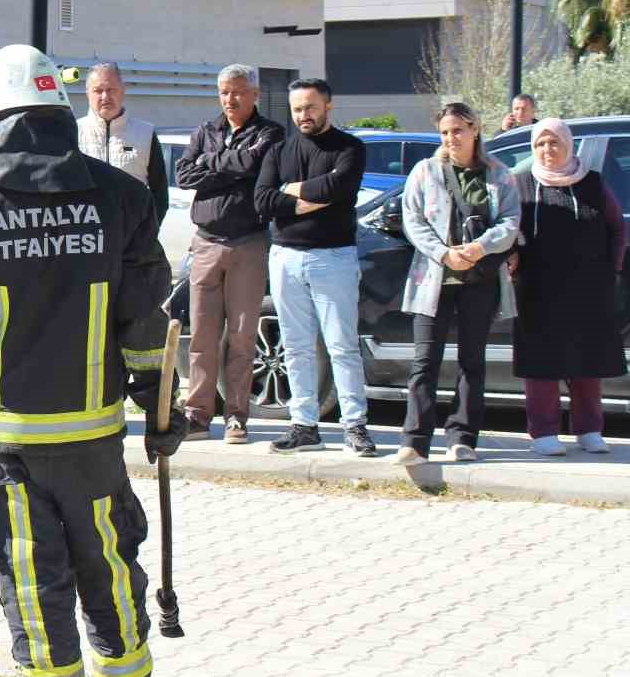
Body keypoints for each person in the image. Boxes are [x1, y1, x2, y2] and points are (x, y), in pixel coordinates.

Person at [0, 45, 182, 677]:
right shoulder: (122, 198)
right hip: (95, 437)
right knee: (110, 565)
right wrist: (157, 399)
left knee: (32, 574)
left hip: (8, 438)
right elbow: (147, 319)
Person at [255, 78, 377, 456]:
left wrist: (289, 190)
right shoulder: (278, 150)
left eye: (310, 107)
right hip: (285, 257)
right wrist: (308, 195)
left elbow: (338, 190)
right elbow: (261, 200)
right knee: (296, 347)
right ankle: (304, 425)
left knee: (342, 346)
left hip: (334, 257)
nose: (303, 116)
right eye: (297, 109)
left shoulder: (350, 148)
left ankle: (354, 426)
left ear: (328, 106)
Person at [394, 102, 520, 468]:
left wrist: (481, 247)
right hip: (434, 279)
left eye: (458, 131)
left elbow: (511, 222)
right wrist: (443, 253)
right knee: (424, 362)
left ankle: (463, 437)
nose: (451, 138)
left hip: (480, 280)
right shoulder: (425, 171)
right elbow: (413, 221)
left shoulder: (500, 174)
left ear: (475, 129)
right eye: (445, 132)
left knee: (471, 361)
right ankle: (415, 442)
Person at [173, 65, 286, 444]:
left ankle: (237, 417)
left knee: (240, 335)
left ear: (254, 94)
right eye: (224, 92)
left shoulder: (270, 133)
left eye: (237, 92)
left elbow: (253, 164)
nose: (230, 99)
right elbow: (184, 174)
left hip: (248, 243)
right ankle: (197, 415)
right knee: (202, 335)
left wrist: (211, 163)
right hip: (206, 242)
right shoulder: (206, 130)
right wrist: (221, 163)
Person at [511, 118, 627, 456]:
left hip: (589, 288)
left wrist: (612, 269)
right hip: (538, 289)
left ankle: (589, 430)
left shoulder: (592, 183)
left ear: (568, 145)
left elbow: (618, 229)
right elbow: (507, 229)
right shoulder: (520, 184)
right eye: (540, 144)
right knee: (542, 361)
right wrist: (513, 254)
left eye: (554, 143)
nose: (547, 150)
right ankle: (543, 433)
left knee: (587, 360)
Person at [77, 62, 169, 226]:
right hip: (86, 240)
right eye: (98, 90)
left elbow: (160, 194)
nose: (105, 96)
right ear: (87, 94)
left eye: (111, 89)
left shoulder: (145, 134)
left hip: (131, 242)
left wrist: (147, 234)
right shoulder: (73, 133)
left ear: (123, 90)